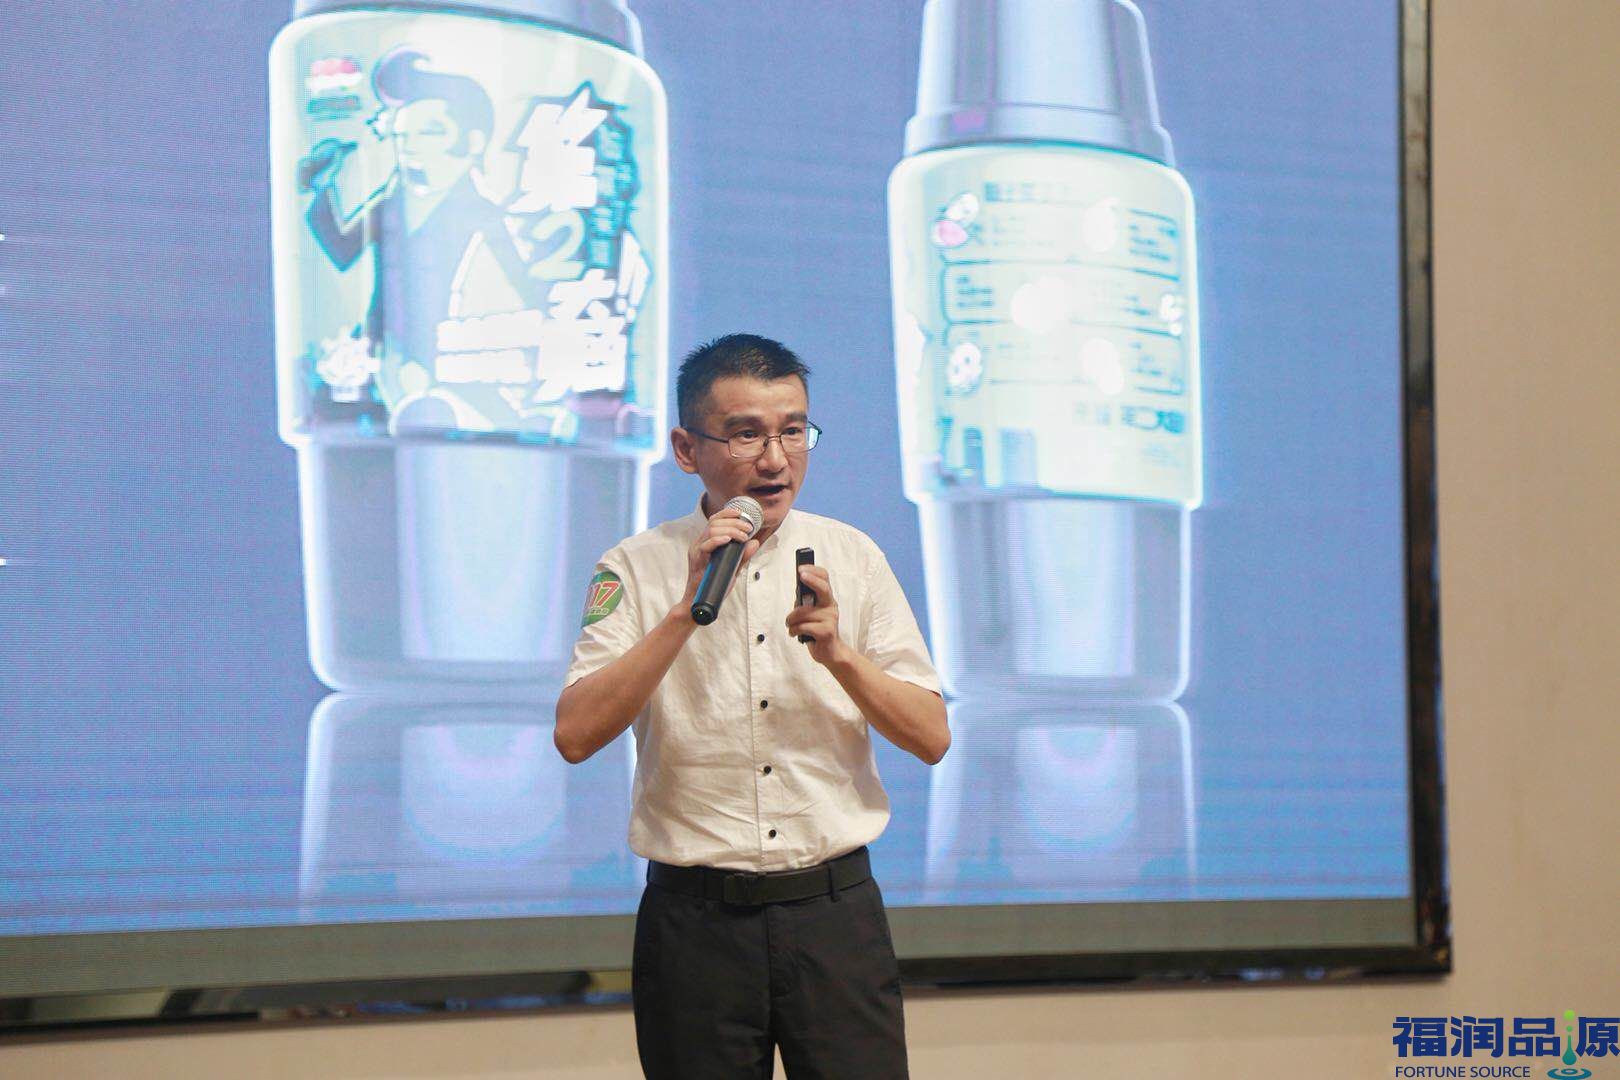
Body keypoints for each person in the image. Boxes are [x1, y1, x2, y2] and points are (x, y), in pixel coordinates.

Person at [556, 333, 949, 1078]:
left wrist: (840, 656)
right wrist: (683, 613)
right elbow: (575, 735)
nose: (775, 460)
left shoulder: (855, 557)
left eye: (793, 431)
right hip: (695, 927)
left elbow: (932, 736)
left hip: (833, 916)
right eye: (746, 434)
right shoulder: (634, 567)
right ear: (686, 448)